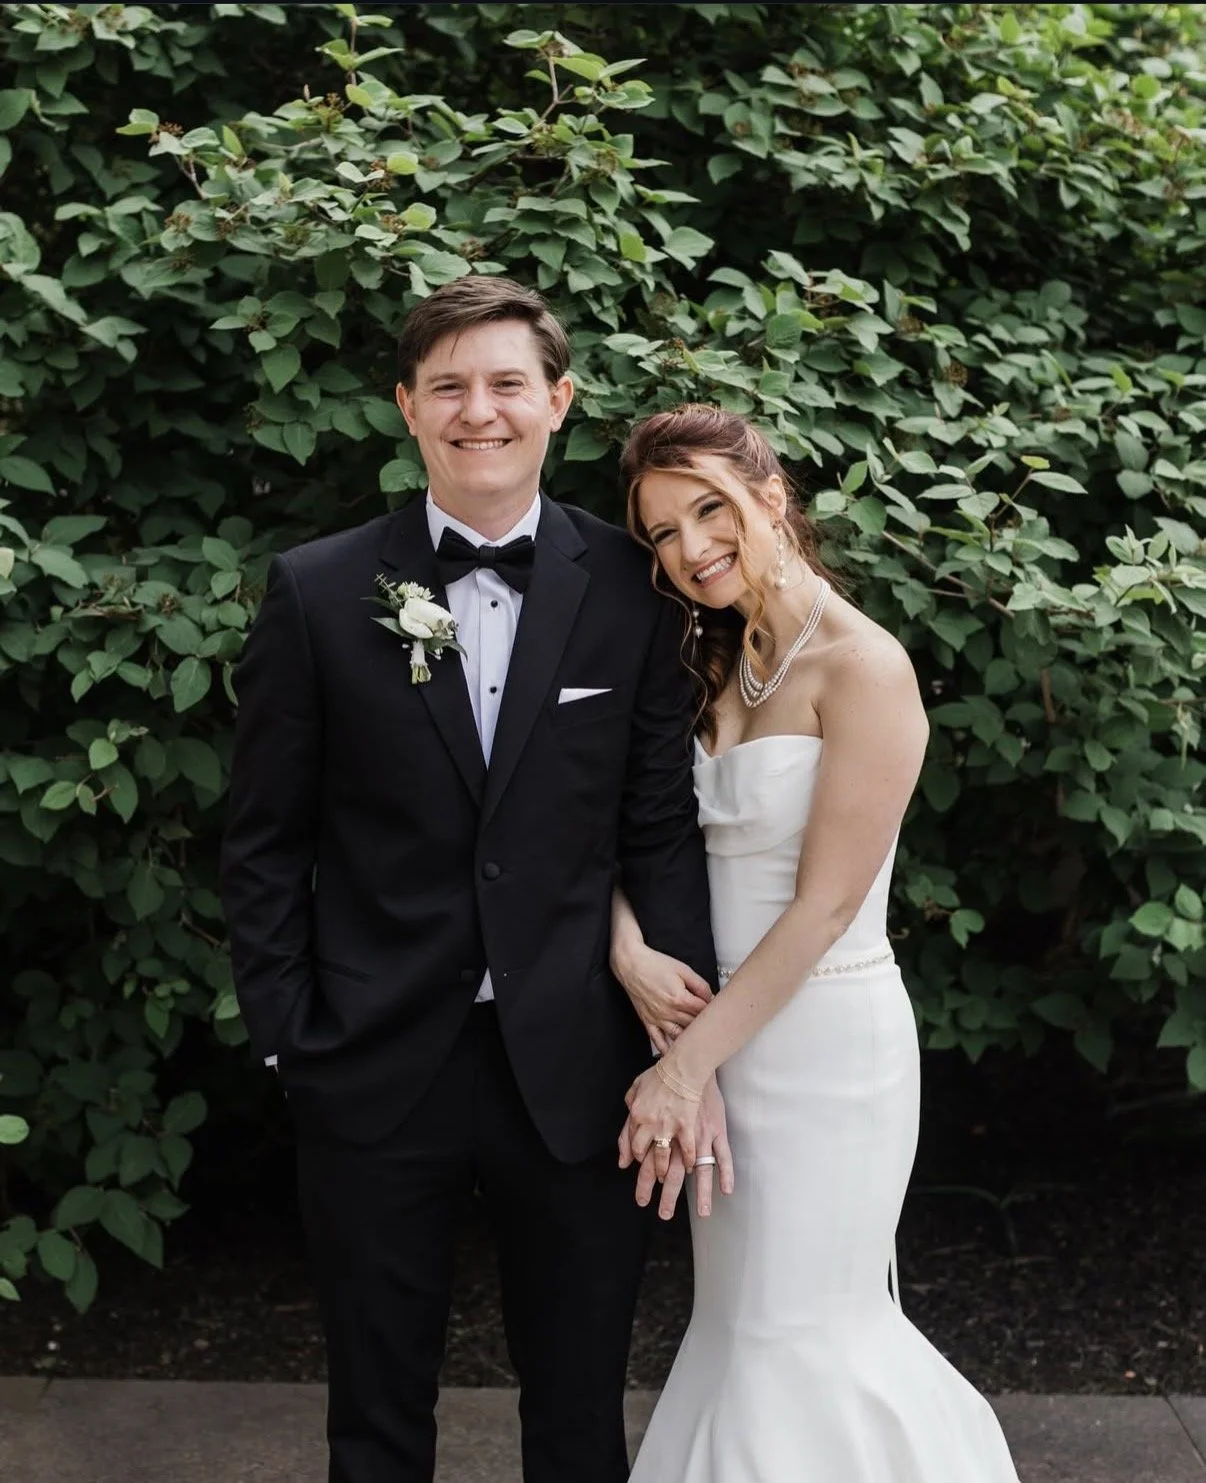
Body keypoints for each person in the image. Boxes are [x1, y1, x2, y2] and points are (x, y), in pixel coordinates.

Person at [218, 277, 718, 1483]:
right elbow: (264, 837)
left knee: (580, 1414)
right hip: (377, 1060)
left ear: (558, 402)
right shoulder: (320, 589)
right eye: (448, 386)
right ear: (405, 408)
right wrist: (293, 1037)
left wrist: (680, 1047)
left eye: (505, 384)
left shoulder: (634, 588)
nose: (476, 410)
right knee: (375, 1419)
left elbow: (658, 828)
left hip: (580, 1066)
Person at [610, 404, 1021, 1481]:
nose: (693, 548)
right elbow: (618, 831)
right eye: (662, 532)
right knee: (741, 1329)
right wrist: (625, 948)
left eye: (711, 510)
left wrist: (681, 1067)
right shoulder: (701, 662)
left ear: (771, 494)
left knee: (807, 1330)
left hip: (826, 1041)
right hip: (717, 1042)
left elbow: (827, 904)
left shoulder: (865, 666)